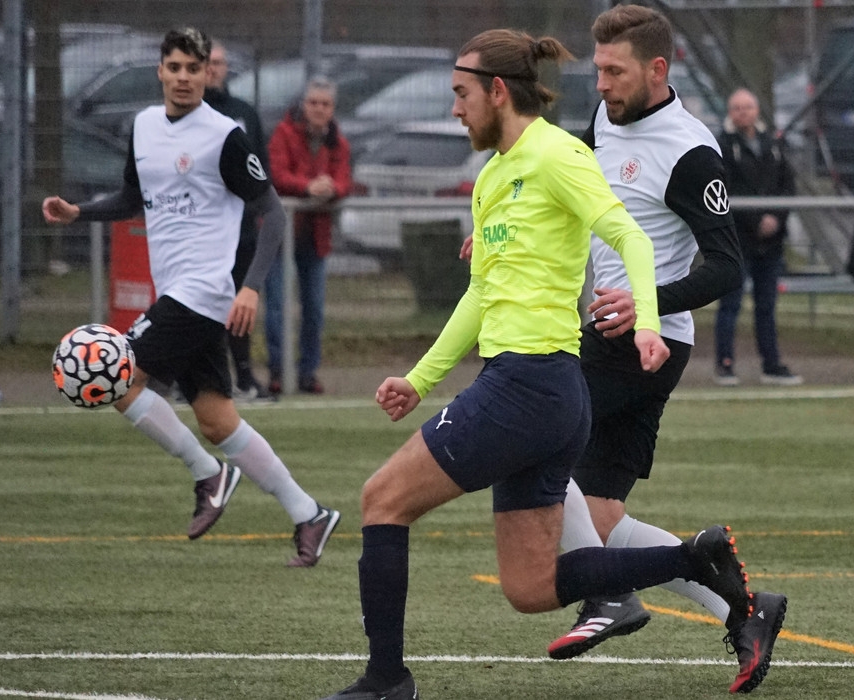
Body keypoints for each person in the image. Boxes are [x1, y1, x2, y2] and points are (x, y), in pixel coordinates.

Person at [323, 29, 761, 700]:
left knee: (382, 500)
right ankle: (695, 558)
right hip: (540, 392)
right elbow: (481, 294)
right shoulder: (492, 176)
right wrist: (418, 379)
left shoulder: (559, 154)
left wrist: (648, 321)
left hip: (529, 384)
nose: (454, 109)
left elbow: (632, 239)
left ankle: (386, 680)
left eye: (461, 94)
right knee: (529, 589)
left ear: (498, 91)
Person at [542, 6, 786, 695]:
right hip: (613, 337)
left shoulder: (690, 150)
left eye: (615, 72)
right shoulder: (604, 120)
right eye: (598, 70)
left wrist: (643, 305)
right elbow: (571, 193)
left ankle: (608, 595)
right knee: (600, 516)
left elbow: (726, 266)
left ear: (657, 69)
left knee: (534, 442)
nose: (601, 84)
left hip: (646, 343)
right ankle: (744, 609)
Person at [41, 28, 340, 567]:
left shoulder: (224, 136)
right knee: (218, 420)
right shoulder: (143, 126)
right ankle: (309, 513)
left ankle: (208, 474)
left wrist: (250, 286)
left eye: (193, 68)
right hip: (176, 289)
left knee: (117, 376)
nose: (183, 78)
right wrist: (79, 212)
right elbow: (134, 197)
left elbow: (272, 213)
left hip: (203, 290)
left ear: (207, 74)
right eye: (174, 67)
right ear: (160, 71)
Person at [267, 77, 351, 395]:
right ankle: (278, 371)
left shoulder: (338, 142)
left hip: (315, 235)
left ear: (333, 108)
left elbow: (343, 180)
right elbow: (277, 174)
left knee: (314, 308)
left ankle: (307, 372)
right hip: (280, 233)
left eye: (325, 104)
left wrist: (331, 188)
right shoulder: (284, 133)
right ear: (304, 105)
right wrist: (308, 187)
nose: (318, 109)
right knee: (277, 306)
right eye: (313, 102)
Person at [713, 88, 802, 386]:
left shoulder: (772, 143)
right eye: (737, 108)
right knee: (730, 304)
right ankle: (725, 364)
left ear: (757, 110)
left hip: (771, 242)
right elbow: (724, 189)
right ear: (730, 112)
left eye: (748, 107)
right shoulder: (722, 146)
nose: (743, 113)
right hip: (738, 238)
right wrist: (755, 220)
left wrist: (776, 217)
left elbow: (787, 185)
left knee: (767, 306)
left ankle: (771, 364)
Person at [204, 40, 271, 399]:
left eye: (218, 62)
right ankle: (194, 377)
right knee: (200, 307)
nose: (212, 69)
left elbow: (261, 167)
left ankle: (244, 376)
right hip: (200, 233)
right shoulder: (188, 115)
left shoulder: (243, 113)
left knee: (240, 305)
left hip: (241, 231)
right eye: (207, 62)